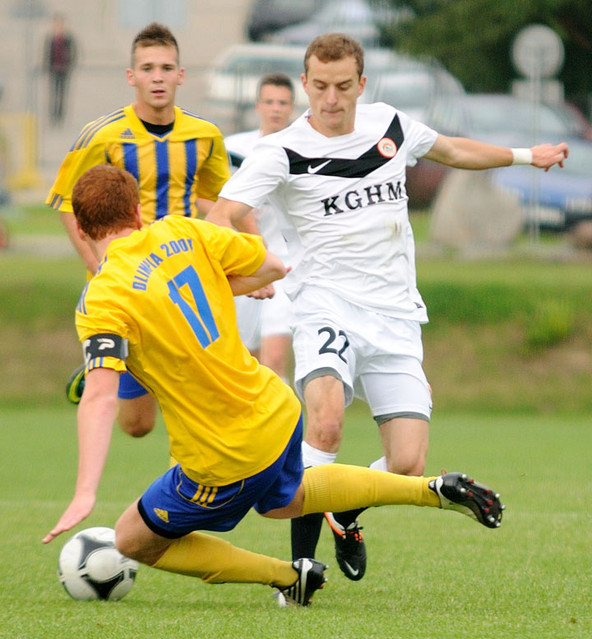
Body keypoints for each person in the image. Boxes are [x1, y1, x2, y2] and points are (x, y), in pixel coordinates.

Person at [41, 164, 504, 608]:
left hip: (222, 450)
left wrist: (85, 492)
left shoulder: (102, 296)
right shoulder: (183, 231)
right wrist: (220, 289)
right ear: (138, 212)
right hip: (276, 407)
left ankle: (287, 576)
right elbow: (272, 267)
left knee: (132, 539)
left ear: (81, 231)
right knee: (289, 500)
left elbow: (101, 396)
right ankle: (432, 489)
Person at [205, 33, 568, 581]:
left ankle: (346, 507)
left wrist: (525, 155)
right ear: (305, 84)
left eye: (343, 87)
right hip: (326, 307)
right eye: (320, 86)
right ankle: (299, 569)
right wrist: (239, 271)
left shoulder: (390, 125)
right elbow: (222, 215)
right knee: (324, 423)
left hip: (396, 316)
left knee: (407, 465)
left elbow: (450, 150)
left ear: (362, 85)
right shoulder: (281, 150)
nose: (331, 99)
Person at [46, 22, 230, 437]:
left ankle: (203, 485)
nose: (158, 77)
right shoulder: (102, 135)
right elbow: (66, 204)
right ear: (132, 77)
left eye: (167, 68)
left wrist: (239, 254)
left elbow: (221, 204)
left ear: (181, 75)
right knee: (137, 425)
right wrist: (97, 270)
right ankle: (118, 367)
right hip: (128, 283)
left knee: (207, 402)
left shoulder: (205, 135)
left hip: (184, 280)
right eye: (148, 68)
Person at [225, 73, 296, 381]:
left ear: (292, 107)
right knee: (244, 363)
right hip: (244, 264)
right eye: (269, 102)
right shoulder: (234, 149)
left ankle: (280, 427)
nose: (275, 109)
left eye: (282, 102)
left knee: (275, 358)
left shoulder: (302, 149)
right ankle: (251, 426)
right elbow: (208, 200)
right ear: (258, 106)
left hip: (286, 265)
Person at [43, 13, 77, 124]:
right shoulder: (51, 39)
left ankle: (60, 115)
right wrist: (47, 66)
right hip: (53, 69)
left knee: (62, 93)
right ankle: (53, 115)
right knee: (53, 92)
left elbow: (73, 52)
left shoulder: (67, 39)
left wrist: (70, 64)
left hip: (63, 69)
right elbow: (47, 53)